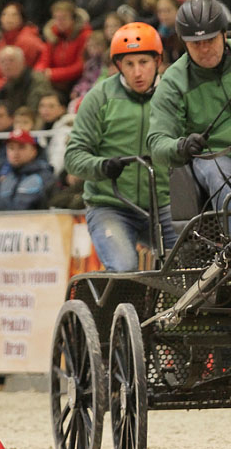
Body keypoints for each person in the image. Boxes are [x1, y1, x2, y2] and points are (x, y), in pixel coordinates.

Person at [147, 0, 231, 232]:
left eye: (210, 40)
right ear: (184, 43)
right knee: (218, 173)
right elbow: (156, 143)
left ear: (224, 34)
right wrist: (181, 147)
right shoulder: (174, 81)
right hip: (216, 154)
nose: (204, 49)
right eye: (195, 44)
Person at [65, 22, 178, 272]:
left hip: (164, 206)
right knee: (125, 268)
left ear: (157, 61)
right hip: (110, 206)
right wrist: (102, 166)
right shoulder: (100, 96)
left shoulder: (173, 94)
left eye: (144, 62)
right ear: (118, 66)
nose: (137, 72)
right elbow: (73, 157)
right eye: (129, 64)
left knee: (194, 267)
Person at [35, 0, 92, 100]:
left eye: (63, 18)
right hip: (55, 83)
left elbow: (80, 66)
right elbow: (44, 59)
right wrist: (40, 72)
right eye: (56, 18)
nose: (59, 22)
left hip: (75, 82)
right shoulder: (53, 35)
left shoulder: (84, 36)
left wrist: (53, 74)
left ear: (73, 19)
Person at [0, 4, 45, 97]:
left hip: (24, 89)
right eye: (4, 14)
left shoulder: (28, 40)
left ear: (22, 18)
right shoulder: (3, 40)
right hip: (3, 87)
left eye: (14, 15)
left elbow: (17, 75)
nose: (8, 18)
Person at [0, 129, 53, 212]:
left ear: (34, 151)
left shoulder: (45, 177)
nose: (15, 153)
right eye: (11, 148)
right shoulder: (6, 179)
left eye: (21, 147)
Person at [0, 46, 53, 116]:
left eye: (11, 60)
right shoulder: (7, 85)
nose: (6, 65)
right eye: (2, 62)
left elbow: (34, 111)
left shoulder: (36, 79)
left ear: (22, 62)